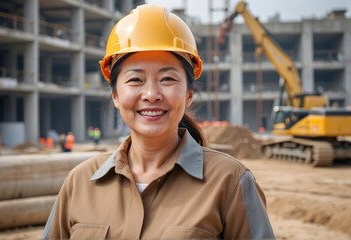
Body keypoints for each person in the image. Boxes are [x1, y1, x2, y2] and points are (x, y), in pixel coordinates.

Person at [42, 4, 275, 240]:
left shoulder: (230, 182)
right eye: (135, 79)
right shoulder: (79, 183)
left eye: (167, 78)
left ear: (188, 95)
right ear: (115, 95)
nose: (151, 94)